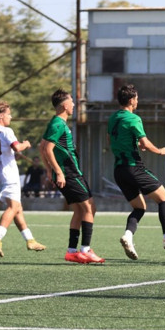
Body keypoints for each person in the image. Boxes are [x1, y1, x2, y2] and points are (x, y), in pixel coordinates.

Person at [108, 84, 165, 260]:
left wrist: (134, 144)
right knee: (164, 198)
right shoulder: (134, 118)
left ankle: (128, 236)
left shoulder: (113, 118)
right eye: (137, 99)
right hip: (134, 168)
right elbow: (145, 143)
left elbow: (115, 140)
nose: (138, 102)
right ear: (131, 100)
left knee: (139, 207)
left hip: (119, 170)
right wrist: (160, 150)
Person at [40, 89, 104, 264]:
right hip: (70, 174)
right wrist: (58, 172)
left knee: (79, 210)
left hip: (68, 173)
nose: (74, 105)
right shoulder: (58, 124)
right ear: (64, 105)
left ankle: (71, 252)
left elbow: (41, 146)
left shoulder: (56, 122)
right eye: (71, 102)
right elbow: (47, 149)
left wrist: (49, 170)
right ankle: (86, 250)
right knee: (90, 208)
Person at [0, 101, 46, 257]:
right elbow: (16, 147)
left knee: (17, 208)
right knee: (13, 207)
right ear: (1, 116)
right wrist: (25, 144)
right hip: (9, 175)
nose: (11, 117)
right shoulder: (7, 131)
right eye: (8, 114)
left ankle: (30, 240)